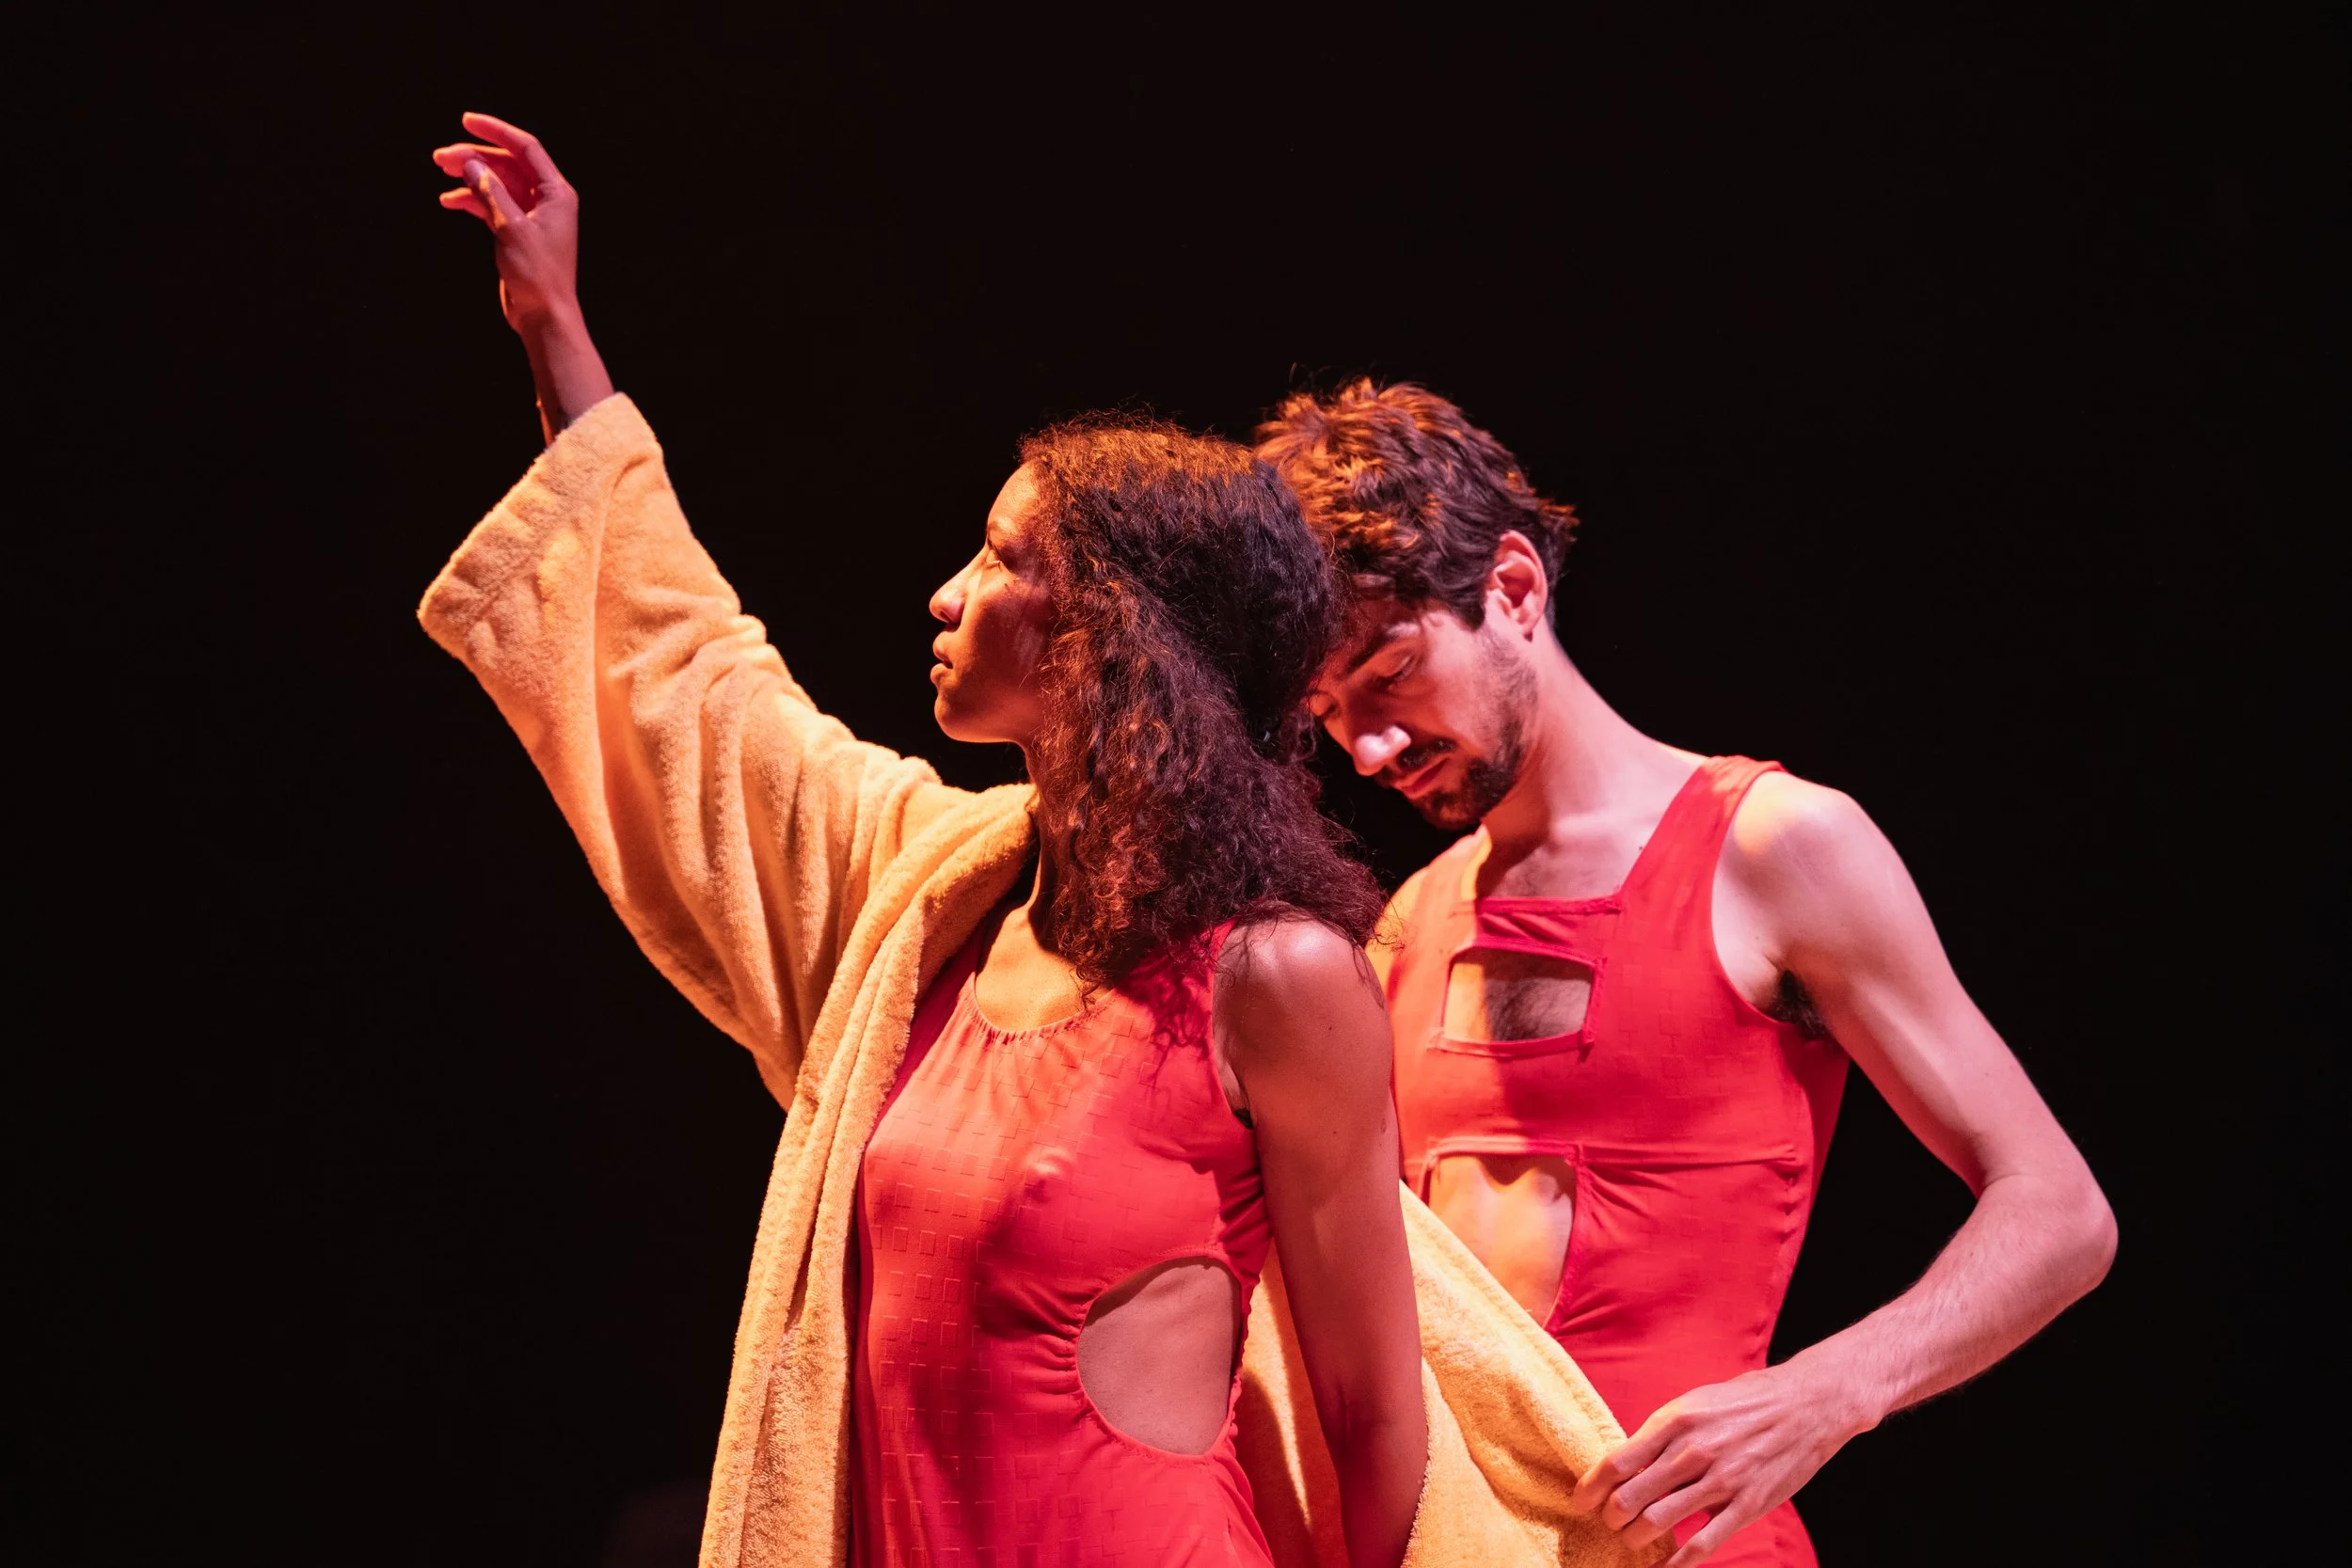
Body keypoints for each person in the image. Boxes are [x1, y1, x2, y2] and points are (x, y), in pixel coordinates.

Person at [421, 118, 1645, 1568]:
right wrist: (556, 329)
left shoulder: (1274, 976)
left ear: (1114, 639)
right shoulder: (931, 903)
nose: (947, 594)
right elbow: (699, 690)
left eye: (1002, 558)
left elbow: (1376, 1411)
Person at [1257, 381, 2118, 1568]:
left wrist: (1825, 1392)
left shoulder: (1775, 846)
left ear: (1513, 587)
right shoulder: (1408, 921)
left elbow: (2059, 1209)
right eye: (1329, 710)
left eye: (1391, 671)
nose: (1367, 747)